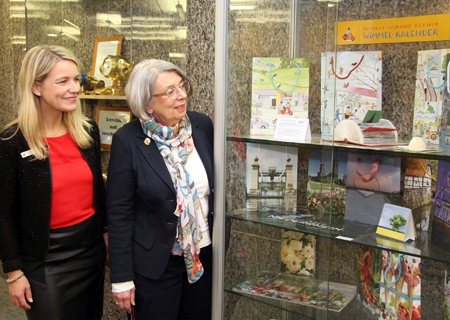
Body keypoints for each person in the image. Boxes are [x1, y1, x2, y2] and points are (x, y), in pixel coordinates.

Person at [0, 45, 107, 320]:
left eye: (76, 79)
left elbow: (99, 192)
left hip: (90, 252)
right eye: (63, 81)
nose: (74, 88)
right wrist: (13, 273)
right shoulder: (12, 142)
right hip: (45, 260)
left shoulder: (86, 131)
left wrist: (106, 234)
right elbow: (2, 213)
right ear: (36, 87)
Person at [107, 59, 214, 320]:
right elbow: (119, 214)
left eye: (182, 85)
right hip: (155, 265)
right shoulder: (127, 140)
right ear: (147, 104)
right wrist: (121, 278)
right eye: (170, 91)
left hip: (202, 256)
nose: (182, 95)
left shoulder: (201, 126)